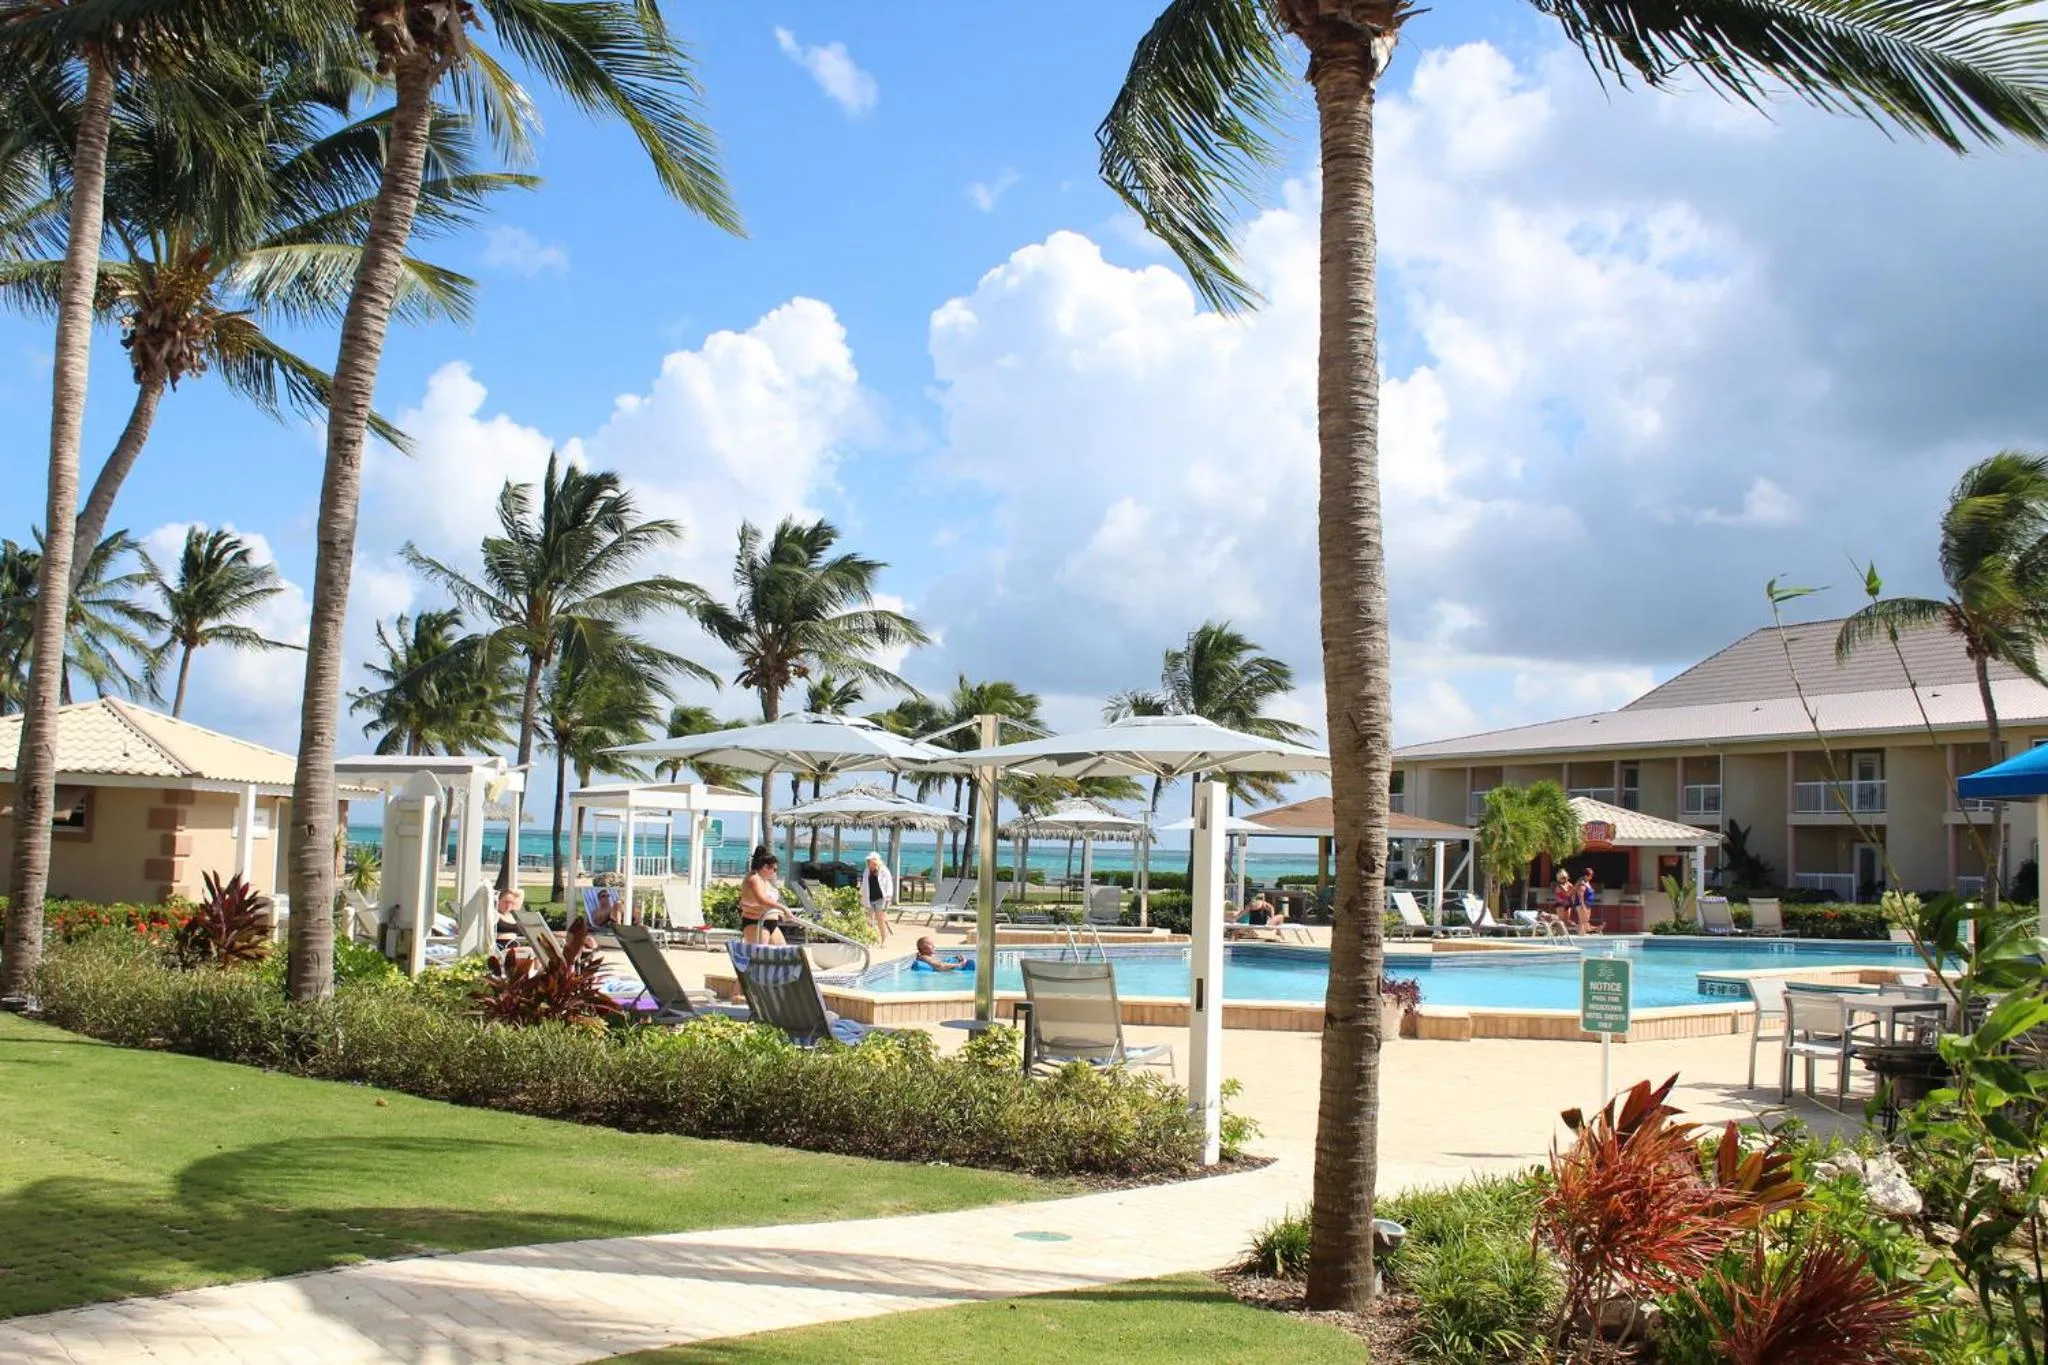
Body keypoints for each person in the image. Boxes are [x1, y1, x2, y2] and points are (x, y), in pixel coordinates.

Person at [739, 847, 791, 945]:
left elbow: (771, 901)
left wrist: (781, 912)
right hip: (756, 922)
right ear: (765, 867)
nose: (775, 873)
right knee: (760, 956)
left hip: (771, 923)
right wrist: (783, 908)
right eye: (774, 869)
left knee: (783, 954)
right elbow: (762, 901)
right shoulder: (754, 879)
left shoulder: (764, 880)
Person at [861, 851, 895, 944]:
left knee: (881, 919)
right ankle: (869, 939)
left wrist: (888, 899)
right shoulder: (866, 871)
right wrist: (861, 895)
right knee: (868, 920)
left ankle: (884, 939)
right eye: (868, 861)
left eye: (871, 861)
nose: (869, 863)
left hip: (881, 898)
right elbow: (864, 885)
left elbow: (889, 886)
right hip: (869, 898)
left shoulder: (884, 871)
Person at [1576, 868, 1599, 934]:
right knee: (1582, 921)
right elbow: (1580, 894)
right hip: (1583, 904)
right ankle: (1581, 936)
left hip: (1587, 904)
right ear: (1586, 876)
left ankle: (1585, 934)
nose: (1591, 877)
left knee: (1585, 921)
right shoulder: (1582, 883)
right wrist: (1583, 906)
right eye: (1590, 876)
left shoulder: (1587, 882)